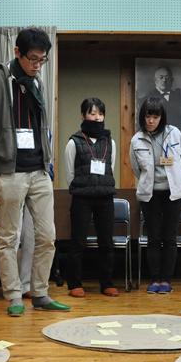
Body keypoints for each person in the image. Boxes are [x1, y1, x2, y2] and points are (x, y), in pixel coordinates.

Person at [0, 27, 69, 317]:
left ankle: (39, 292)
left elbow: (42, 126)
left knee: (47, 236)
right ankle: (14, 294)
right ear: (17, 52)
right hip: (9, 172)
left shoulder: (37, 82)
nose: (38, 65)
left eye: (42, 59)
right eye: (33, 59)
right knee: (8, 238)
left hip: (39, 171)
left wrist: (47, 162)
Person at [131, 97, 181, 294]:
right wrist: (150, 181)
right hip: (151, 194)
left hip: (174, 193)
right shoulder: (137, 139)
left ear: (162, 117)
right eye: (148, 116)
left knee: (170, 237)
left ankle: (166, 280)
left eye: (155, 117)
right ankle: (155, 279)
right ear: (142, 117)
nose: (151, 121)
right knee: (154, 238)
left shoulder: (175, 133)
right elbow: (136, 168)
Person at [65, 97, 118, 298]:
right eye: (92, 113)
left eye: (100, 114)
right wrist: (82, 186)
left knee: (107, 242)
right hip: (82, 197)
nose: (97, 117)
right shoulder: (74, 141)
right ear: (83, 115)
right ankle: (74, 283)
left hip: (105, 197)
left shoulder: (110, 141)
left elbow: (111, 168)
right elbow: (70, 174)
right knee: (78, 242)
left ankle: (107, 283)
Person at [139, 66, 181, 131]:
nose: (164, 80)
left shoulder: (179, 97)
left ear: (172, 80)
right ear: (155, 80)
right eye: (161, 77)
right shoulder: (146, 99)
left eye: (167, 77)